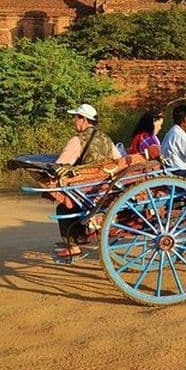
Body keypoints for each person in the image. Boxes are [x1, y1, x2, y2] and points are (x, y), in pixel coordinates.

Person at [53, 103, 121, 260]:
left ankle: (73, 246)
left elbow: (62, 164)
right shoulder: (106, 138)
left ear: (83, 119)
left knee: (63, 208)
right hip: (107, 188)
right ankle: (82, 236)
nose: (74, 121)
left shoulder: (78, 140)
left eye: (76, 118)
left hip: (88, 190)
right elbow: (118, 159)